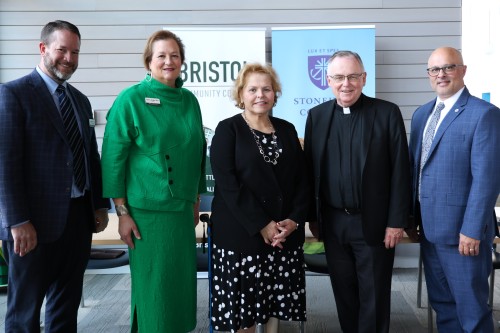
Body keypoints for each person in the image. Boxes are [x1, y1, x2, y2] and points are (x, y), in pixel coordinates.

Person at [0, 20, 110, 332]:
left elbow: (90, 156)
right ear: (43, 48)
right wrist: (17, 220)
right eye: (62, 50)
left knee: (66, 305)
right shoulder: (13, 94)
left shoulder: (80, 100)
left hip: (77, 219)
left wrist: (99, 205)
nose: (69, 58)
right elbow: (4, 164)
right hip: (32, 224)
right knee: (25, 311)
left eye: (75, 52)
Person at [100, 30, 206, 333]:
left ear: (182, 61)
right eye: (161, 55)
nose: (168, 61)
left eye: (174, 55)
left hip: (182, 211)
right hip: (146, 214)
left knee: (179, 286)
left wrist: (195, 200)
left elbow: (198, 151)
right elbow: (112, 159)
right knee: (154, 288)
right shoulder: (131, 99)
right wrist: (121, 213)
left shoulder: (189, 100)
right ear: (149, 62)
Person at [304, 50, 411, 333]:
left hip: (375, 223)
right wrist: (313, 218)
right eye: (339, 77)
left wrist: (396, 221)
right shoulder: (317, 116)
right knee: (344, 294)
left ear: (364, 79)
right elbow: (311, 171)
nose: (346, 83)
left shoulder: (387, 113)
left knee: (374, 296)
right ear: (328, 80)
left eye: (353, 76)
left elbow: (401, 170)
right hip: (334, 222)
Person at [209, 63, 309, 333]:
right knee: (245, 316)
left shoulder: (287, 130)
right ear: (241, 94)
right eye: (252, 89)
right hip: (242, 237)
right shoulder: (227, 130)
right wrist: (262, 224)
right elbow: (228, 184)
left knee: (274, 310)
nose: (260, 95)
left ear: (275, 94)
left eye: (267, 89)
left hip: (282, 237)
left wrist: (294, 220)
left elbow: (303, 181)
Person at [408, 46, 500, 332]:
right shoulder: (422, 114)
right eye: (434, 69)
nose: (441, 75)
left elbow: (486, 179)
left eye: (448, 67)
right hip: (429, 231)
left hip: (463, 234)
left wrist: (472, 229)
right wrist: (411, 219)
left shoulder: (484, 114)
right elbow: (415, 170)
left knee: (471, 310)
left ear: (463, 70)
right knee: (443, 306)